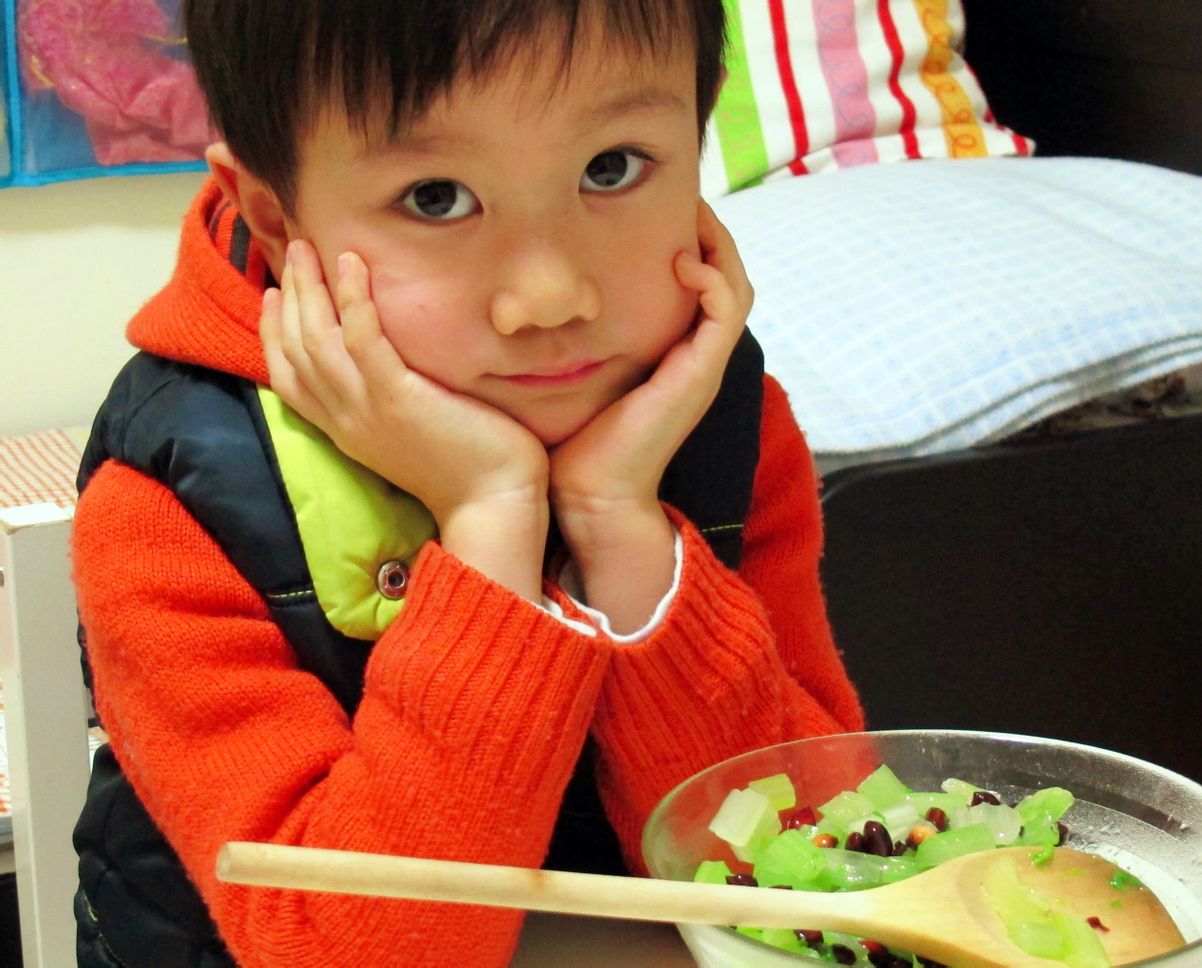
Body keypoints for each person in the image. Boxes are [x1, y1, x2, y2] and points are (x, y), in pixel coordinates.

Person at [69, 1, 866, 965]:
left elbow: (819, 879)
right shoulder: (173, 497)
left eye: (611, 168)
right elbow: (349, 948)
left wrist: (620, 527)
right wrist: (492, 520)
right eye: (437, 196)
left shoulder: (727, 427)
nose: (550, 297)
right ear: (276, 217)